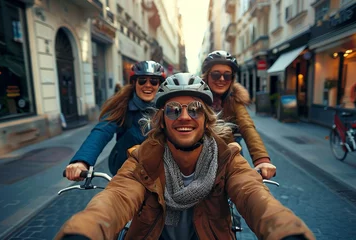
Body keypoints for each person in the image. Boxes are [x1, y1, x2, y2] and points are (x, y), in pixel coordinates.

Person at [56, 73, 315, 240]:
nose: (184, 117)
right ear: (161, 120)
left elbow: (253, 195)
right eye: (172, 110)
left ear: (206, 118)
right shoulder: (142, 159)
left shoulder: (227, 159)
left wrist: (285, 231)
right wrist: (83, 232)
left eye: (194, 109)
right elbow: (115, 198)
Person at [65, 60, 166, 180]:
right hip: (127, 171)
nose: (148, 85)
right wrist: (82, 161)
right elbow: (101, 131)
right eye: (142, 80)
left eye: (154, 81)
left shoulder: (167, 108)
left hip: (159, 170)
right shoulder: (121, 106)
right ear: (134, 83)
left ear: (160, 85)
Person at [201, 50, 276, 180]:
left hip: (232, 153)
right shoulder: (197, 98)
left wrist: (262, 160)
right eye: (216, 75)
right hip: (201, 155)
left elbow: (247, 126)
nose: (222, 79)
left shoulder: (234, 98)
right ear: (207, 76)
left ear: (232, 79)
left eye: (227, 75)